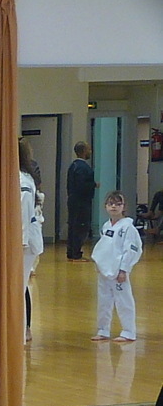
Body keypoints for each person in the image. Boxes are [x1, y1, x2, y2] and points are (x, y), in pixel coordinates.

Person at [90, 190, 142, 343]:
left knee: (124, 301)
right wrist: (99, 263)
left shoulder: (128, 228)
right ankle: (103, 330)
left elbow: (131, 250)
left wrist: (124, 269)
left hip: (119, 271)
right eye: (111, 204)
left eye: (118, 204)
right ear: (105, 206)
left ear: (124, 207)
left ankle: (128, 331)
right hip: (105, 271)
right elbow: (103, 248)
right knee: (104, 302)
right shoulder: (106, 226)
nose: (114, 207)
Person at [20, 138, 44, 343]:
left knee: (18, 287)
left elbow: (24, 211)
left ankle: (20, 334)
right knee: (19, 287)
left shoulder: (23, 180)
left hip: (25, 243)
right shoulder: (22, 177)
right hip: (23, 240)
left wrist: (22, 240)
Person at [66, 141, 97, 262]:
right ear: (83, 151)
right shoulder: (83, 168)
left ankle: (71, 252)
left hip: (73, 200)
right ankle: (76, 253)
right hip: (82, 202)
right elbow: (82, 185)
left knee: (73, 226)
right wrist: (93, 185)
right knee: (81, 227)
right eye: (88, 149)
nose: (90, 152)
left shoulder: (73, 166)